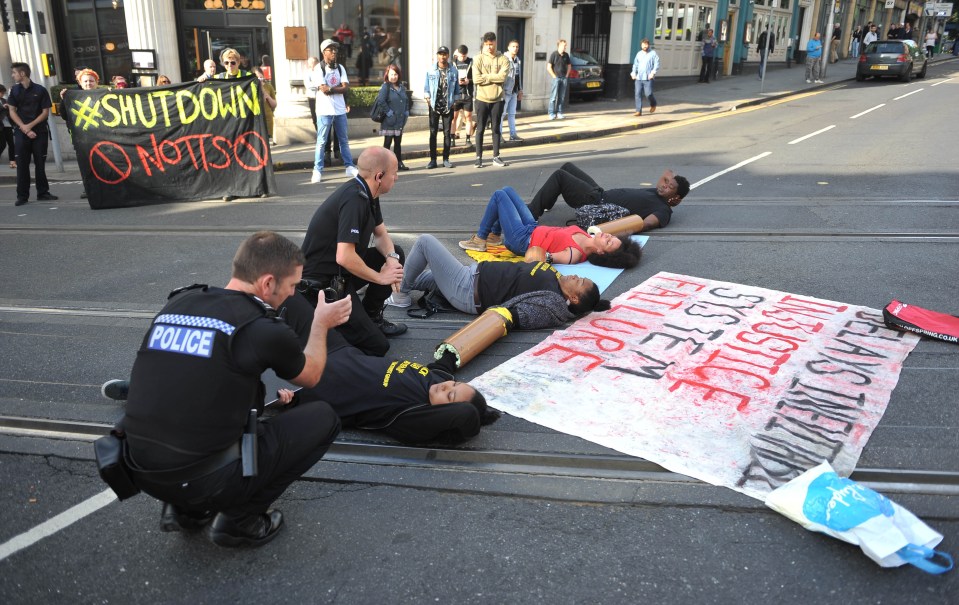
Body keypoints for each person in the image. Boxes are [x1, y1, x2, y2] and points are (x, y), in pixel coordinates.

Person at [105, 231, 353, 548]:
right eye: (291, 286)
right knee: (323, 418)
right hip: (200, 478)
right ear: (267, 284)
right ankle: (240, 520)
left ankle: (185, 512)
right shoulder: (261, 327)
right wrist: (320, 324)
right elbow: (312, 374)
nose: (293, 295)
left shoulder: (180, 300)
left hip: (138, 468)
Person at [275, 327, 498, 446]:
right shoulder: (438, 380)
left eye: (450, 397)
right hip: (336, 350)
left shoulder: (412, 417)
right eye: (454, 384)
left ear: (445, 412)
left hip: (310, 381)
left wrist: (294, 401)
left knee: (261, 340)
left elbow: (465, 414)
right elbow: (445, 363)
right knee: (286, 293)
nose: (445, 387)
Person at [301, 146, 406, 356]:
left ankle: (370, 317)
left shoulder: (369, 193)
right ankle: (327, 333)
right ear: (379, 176)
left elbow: (381, 235)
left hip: (341, 274)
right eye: (394, 173)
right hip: (322, 285)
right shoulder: (355, 199)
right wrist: (380, 277)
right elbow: (344, 256)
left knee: (397, 253)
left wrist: (392, 260)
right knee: (377, 346)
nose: (396, 178)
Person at [386, 234, 611, 330]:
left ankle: (401, 297)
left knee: (425, 242)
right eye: (581, 276)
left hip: (467, 289)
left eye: (579, 281)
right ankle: (373, 286)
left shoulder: (552, 304)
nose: (576, 276)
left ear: (573, 298)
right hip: (470, 275)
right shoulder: (556, 281)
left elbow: (520, 317)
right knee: (401, 277)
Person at [457, 187, 641, 269]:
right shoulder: (590, 236)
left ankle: (481, 239)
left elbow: (544, 258)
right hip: (531, 228)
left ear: (601, 252)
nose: (607, 235)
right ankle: (494, 235)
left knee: (499, 196)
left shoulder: (574, 255)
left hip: (522, 240)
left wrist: (543, 257)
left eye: (608, 242)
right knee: (508, 190)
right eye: (611, 237)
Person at [526, 163, 690, 232]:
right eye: (665, 182)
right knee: (568, 167)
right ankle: (546, 200)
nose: (664, 186)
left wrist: (610, 230)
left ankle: (530, 214)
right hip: (600, 193)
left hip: (596, 204)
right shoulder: (657, 191)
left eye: (670, 187)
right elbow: (668, 172)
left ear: (675, 197)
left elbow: (645, 224)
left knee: (560, 176)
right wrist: (670, 180)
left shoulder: (663, 210)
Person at [8, 62, 57, 207]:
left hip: (40, 132)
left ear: (22, 74)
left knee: (40, 163)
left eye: (14, 73)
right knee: (22, 165)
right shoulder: (14, 91)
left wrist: (30, 126)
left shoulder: (40, 90)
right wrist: (24, 128)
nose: (12, 75)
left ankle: (43, 193)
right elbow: (12, 111)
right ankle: (22, 196)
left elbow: (45, 112)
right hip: (21, 133)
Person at [311, 39, 357, 184]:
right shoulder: (318, 69)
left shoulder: (340, 68)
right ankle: (317, 170)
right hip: (324, 111)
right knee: (322, 141)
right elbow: (324, 90)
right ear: (324, 52)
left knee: (344, 140)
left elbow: (345, 87)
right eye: (331, 50)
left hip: (339, 110)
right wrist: (335, 89)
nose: (334, 52)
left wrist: (332, 89)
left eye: (335, 49)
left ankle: (349, 166)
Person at [472, 31, 510, 168]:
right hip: (481, 98)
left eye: (491, 44)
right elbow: (476, 79)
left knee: (496, 129)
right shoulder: (478, 58)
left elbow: (503, 78)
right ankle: (478, 158)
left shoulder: (503, 59)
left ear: (495, 42)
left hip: (497, 99)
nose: (489, 47)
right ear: (484, 44)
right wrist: (494, 76)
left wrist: (486, 76)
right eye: (487, 44)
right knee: (480, 128)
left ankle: (496, 156)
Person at [423, 45, 459, 169]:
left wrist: (454, 101)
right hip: (434, 105)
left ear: (448, 56)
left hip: (448, 105)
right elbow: (426, 87)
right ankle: (433, 160)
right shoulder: (431, 70)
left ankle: (446, 159)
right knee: (433, 133)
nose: (442, 56)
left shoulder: (453, 70)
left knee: (447, 133)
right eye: (440, 54)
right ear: (437, 56)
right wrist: (427, 98)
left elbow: (457, 90)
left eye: (444, 54)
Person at [375, 64, 410, 171]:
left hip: (400, 121)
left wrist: (406, 112)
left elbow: (406, 100)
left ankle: (398, 163)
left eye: (395, 74)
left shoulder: (402, 87)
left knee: (398, 143)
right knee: (387, 143)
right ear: (387, 75)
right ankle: (384, 166)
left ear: (398, 75)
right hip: (389, 121)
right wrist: (389, 113)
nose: (393, 77)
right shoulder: (386, 86)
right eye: (391, 74)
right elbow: (381, 101)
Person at [451, 45, 475, 145]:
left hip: (467, 94)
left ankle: (468, 139)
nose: (462, 58)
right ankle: (452, 139)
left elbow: (477, 78)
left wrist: (468, 81)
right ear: (457, 54)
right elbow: (449, 78)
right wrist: (456, 82)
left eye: (464, 56)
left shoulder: (471, 62)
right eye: (461, 56)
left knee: (468, 117)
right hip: (456, 94)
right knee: (454, 117)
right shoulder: (453, 63)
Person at [630, 39, 659, 117]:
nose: (644, 46)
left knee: (648, 94)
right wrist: (633, 73)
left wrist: (653, 73)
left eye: (646, 44)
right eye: (643, 45)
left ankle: (653, 104)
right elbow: (635, 65)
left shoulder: (653, 53)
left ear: (648, 45)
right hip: (639, 78)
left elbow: (656, 64)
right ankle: (638, 111)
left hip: (648, 78)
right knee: (637, 94)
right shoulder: (639, 54)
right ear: (641, 45)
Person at [501, 39, 523, 142]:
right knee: (501, 114)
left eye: (517, 47)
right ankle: (499, 136)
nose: (515, 48)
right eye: (513, 46)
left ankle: (513, 135)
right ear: (508, 48)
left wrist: (520, 90)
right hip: (506, 91)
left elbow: (519, 76)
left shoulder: (518, 60)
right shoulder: (504, 59)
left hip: (514, 91)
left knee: (512, 114)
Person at [546, 39, 572, 120]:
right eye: (564, 45)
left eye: (565, 45)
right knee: (553, 97)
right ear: (559, 45)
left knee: (561, 97)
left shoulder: (566, 55)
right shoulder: (554, 54)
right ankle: (551, 113)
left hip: (564, 78)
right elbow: (548, 67)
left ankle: (559, 113)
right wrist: (554, 76)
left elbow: (569, 66)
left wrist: (567, 76)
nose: (565, 47)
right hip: (556, 78)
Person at [254, 66, 277, 143]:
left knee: (268, 141)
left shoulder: (268, 86)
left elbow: (274, 104)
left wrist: (267, 96)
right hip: (257, 119)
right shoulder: (251, 87)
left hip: (268, 117)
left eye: (261, 77)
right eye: (257, 77)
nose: (259, 79)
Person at [0, 84, 15, 169]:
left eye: (3, 93)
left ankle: (12, 162)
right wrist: (3, 107)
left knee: (11, 144)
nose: (2, 94)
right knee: (2, 145)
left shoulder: (5, 100)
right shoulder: (3, 103)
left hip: (8, 125)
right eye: (1, 92)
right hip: (1, 127)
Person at [304, 56, 320, 130]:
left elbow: (322, 83)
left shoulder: (321, 72)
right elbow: (308, 85)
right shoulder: (307, 73)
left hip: (321, 97)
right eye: (311, 63)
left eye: (314, 63)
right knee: (314, 117)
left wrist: (317, 85)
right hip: (312, 97)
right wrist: (318, 86)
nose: (312, 65)